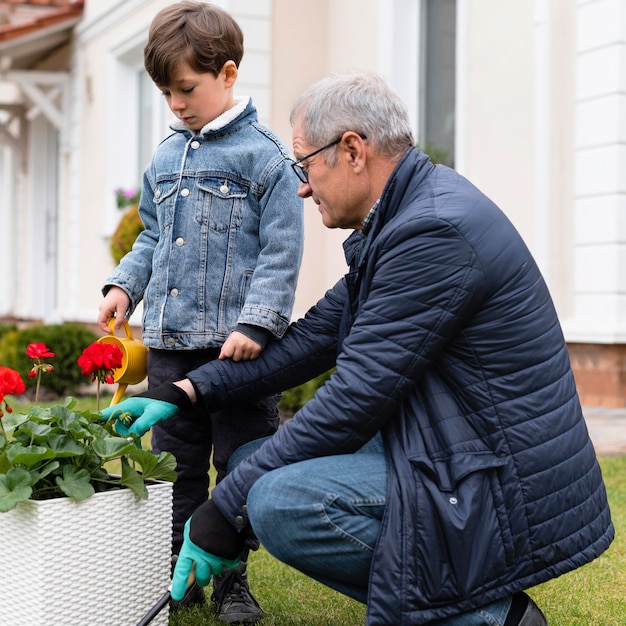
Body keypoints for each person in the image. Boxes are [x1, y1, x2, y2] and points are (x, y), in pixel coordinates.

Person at [102, 72, 614, 625]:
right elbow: (310, 341)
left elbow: (351, 405)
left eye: (304, 166)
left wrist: (222, 509)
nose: (300, 186)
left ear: (351, 151)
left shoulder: (432, 233)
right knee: (254, 465)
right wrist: (185, 391)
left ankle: (494, 617)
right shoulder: (403, 218)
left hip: (499, 479)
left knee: (280, 502)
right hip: (451, 445)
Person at [97, 2, 303, 623]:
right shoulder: (165, 159)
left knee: (240, 464)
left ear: (229, 73)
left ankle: (232, 579)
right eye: (166, 93)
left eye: (186, 88)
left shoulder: (265, 158)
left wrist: (257, 323)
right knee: (176, 466)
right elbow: (151, 237)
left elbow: (282, 251)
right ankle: (174, 570)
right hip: (169, 345)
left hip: (235, 352)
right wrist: (124, 287)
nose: (177, 104)